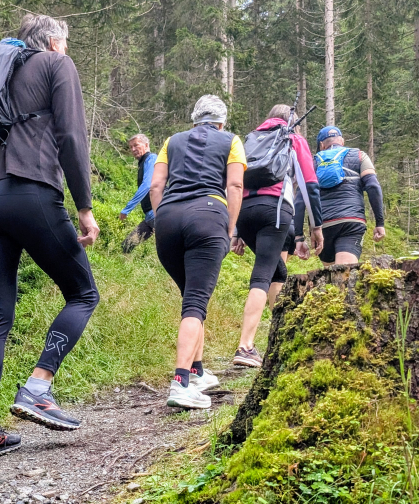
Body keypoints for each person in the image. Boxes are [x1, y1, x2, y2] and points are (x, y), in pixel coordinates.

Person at [0, 14, 100, 463]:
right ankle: (39, 387)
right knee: (82, 293)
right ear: (55, 41)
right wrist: (84, 205)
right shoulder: (57, 65)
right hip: (32, 190)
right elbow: (71, 135)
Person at [150, 95, 245, 411]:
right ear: (221, 121)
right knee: (195, 303)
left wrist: (161, 216)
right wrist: (230, 228)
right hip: (207, 216)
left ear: (194, 120)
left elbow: (155, 187)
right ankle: (180, 384)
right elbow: (234, 187)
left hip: (167, 219)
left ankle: (198, 371)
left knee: (192, 299)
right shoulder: (231, 140)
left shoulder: (171, 141)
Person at [231, 105, 323, 368]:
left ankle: (281, 333)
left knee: (277, 271)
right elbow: (309, 185)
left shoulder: (250, 139)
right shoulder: (293, 138)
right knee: (263, 274)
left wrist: (236, 229)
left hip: (245, 211)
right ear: (293, 120)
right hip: (275, 210)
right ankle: (245, 346)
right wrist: (316, 227)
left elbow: (236, 181)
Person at [313, 125, 385, 265]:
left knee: (331, 278)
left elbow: (305, 197)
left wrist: (308, 230)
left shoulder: (313, 161)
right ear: (342, 141)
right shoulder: (359, 155)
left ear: (321, 145)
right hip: (351, 221)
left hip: (323, 224)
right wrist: (379, 222)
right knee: (344, 274)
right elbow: (373, 186)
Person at [119, 134, 157, 253]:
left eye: (136, 145)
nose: (133, 149)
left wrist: (127, 209)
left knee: (168, 249)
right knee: (127, 245)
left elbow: (147, 185)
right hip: (149, 217)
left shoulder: (151, 158)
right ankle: (124, 267)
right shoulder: (142, 162)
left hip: (159, 213)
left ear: (146, 145)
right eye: (131, 147)